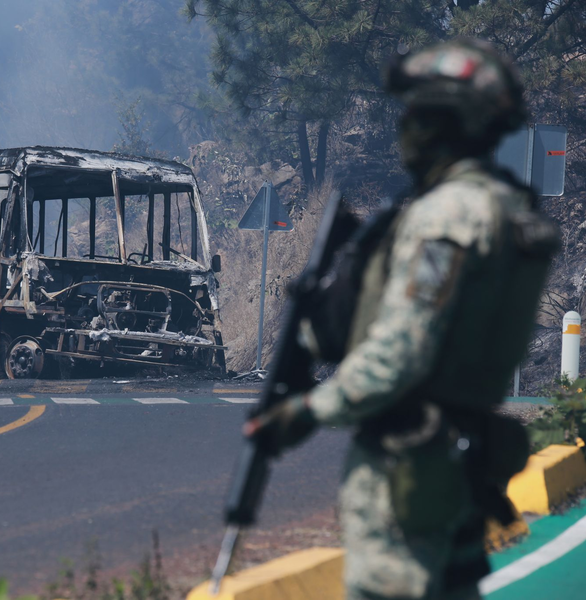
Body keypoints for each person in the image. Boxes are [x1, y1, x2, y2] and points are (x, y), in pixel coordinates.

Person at [245, 38, 559, 600]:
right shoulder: (511, 209)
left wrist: (307, 411)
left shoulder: (448, 217)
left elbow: (403, 351)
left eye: (415, 114)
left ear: (444, 123)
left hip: (409, 466)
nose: (404, 129)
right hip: (464, 459)